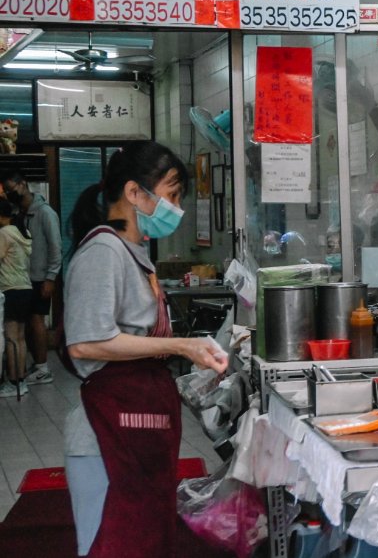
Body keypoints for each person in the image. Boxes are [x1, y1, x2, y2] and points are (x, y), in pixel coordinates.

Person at [63, 142, 228, 557]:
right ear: (135, 193)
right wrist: (181, 345)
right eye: (171, 195)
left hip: (137, 424)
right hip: (105, 434)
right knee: (113, 542)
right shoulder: (102, 251)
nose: (176, 208)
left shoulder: (134, 252)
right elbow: (86, 341)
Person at [0, 169, 62, 385]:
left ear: (23, 183)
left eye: (12, 188)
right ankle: (31, 365)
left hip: (41, 277)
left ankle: (43, 368)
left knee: (37, 321)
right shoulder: (18, 214)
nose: (10, 193)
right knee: (24, 324)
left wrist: (51, 278)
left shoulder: (45, 213)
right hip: (23, 279)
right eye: (7, 191)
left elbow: (56, 247)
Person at [0, 198, 32, 398]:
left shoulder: (4, 234)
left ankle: (13, 382)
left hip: (10, 289)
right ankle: (21, 380)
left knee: (11, 338)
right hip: (25, 288)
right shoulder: (23, 232)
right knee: (20, 338)